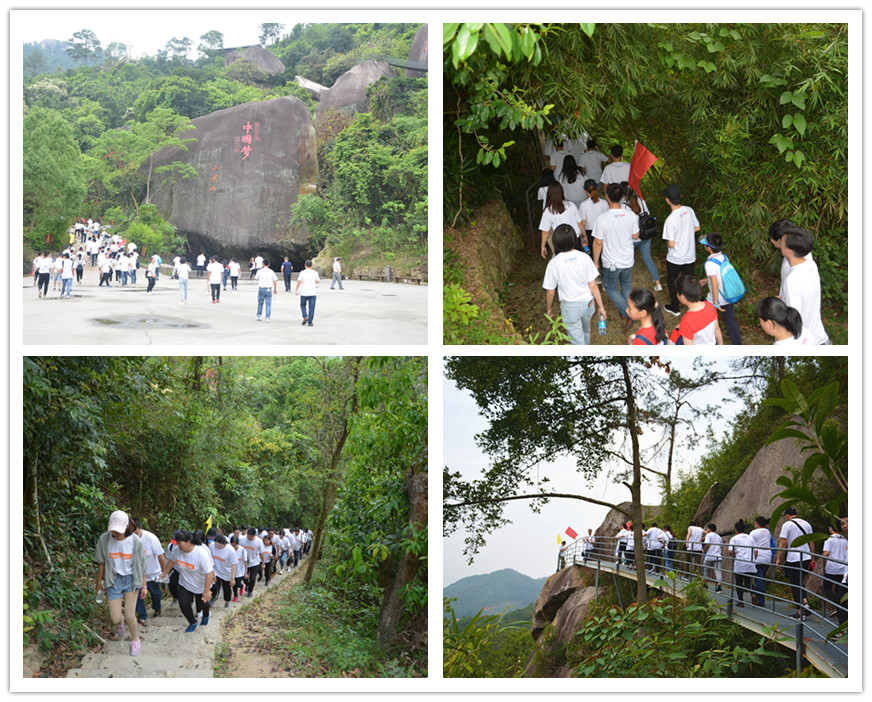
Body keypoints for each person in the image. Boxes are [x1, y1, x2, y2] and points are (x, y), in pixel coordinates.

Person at [542, 224, 607, 345]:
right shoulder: (584, 257)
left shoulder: (554, 263)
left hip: (570, 307)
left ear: (555, 242)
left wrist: (549, 309)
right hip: (588, 303)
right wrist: (601, 307)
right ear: (574, 240)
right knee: (586, 331)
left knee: (576, 341)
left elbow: (550, 291)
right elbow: (593, 285)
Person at [94, 510, 146, 657]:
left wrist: (144, 585)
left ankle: (135, 639)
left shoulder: (135, 541)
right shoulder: (104, 539)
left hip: (131, 579)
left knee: (130, 615)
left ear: (126, 527)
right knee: (116, 618)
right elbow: (102, 563)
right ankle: (120, 623)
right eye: (113, 530)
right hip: (113, 579)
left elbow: (142, 565)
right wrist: (99, 583)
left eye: (118, 531)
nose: (115, 534)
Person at [591, 183, 640, 332]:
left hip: (611, 262)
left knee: (610, 287)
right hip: (627, 259)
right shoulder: (631, 215)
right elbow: (636, 236)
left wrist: (595, 262)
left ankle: (628, 312)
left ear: (606, 196)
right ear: (621, 196)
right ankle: (629, 309)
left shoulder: (603, 218)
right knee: (626, 286)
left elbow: (598, 242)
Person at [778, 224, 830, 344]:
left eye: (782, 242)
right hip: (821, 338)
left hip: (808, 344)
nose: (780, 243)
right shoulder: (811, 265)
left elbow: (793, 322)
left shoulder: (792, 281)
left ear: (789, 251)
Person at [160, 530, 214, 632]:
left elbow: (209, 573)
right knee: (184, 604)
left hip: (200, 584)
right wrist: (164, 572)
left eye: (180, 543)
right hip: (185, 583)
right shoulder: (177, 550)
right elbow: (172, 561)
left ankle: (206, 615)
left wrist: (206, 591)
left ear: (188, 541)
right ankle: (192, 622)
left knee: (204, 604)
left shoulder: (200, 553)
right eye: (177, 543)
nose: (178, 545)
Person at [661, 184, 700, 316]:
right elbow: (697, 227)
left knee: (672, 281)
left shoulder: (670, 220)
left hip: (675, 258)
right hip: (689, 255)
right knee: (689, 280)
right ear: (681, 196)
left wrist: (669, 241)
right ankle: (695, 305)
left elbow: (671, 244)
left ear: (667, 200)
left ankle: (675, 307)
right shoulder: (689, 210)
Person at [699, 233, 742, 344]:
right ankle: (737, 344)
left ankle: (716, 344)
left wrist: (715, 302)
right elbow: (721, 275)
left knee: (710, 322)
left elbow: (715, 284)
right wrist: (705, 280)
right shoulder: (724, 257)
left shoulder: (709, 263)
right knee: (731, 321)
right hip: (728, 295)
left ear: (708, 248)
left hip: (716, 298)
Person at [774, 506, 815, 620]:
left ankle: (800, 612)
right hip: (805, 557)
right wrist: (812, 556)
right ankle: (805, 603)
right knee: (799, 582)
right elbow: (811, 541)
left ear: (787, 516)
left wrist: (778, 559)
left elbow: (783, 543)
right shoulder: (807, 524)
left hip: (794, 558)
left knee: (795, 585)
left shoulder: (787, 525)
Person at [623, 185, 662, 291]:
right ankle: (657, 282)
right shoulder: (641, 200)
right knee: (648, 258)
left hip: (633, 239)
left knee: (629, 260)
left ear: (623, 195)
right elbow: (648, 214)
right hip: (646, 235)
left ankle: (627, 285)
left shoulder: (625, 207)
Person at [669, 274, 723, 345]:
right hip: (712, 344)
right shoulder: (710, 306)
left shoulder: (687, 320)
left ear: (682, 297)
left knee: (673, 335)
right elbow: (716, 329)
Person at [131, 518, 166, 625]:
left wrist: (164, 573)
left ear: (140, 528)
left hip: (153, 574)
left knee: (155, 593)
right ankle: (142, 615)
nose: (134, 536)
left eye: (136, 532)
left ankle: (157, 609)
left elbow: (160, 556)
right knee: (137, 596)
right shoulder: (127, 540)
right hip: (137, 575)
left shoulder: (151, 538)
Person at [539, 182, 585, 258]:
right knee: (577, 260)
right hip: (574, 238)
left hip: (559, 241)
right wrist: (584, 235)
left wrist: (542, 246)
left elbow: (545, 231)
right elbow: (579, 223)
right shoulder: (571, 205)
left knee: (562, 263)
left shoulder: (548, 210)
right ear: (562, 192)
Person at [821, 522, 847, 626]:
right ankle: (841, 609)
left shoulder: (829, 539)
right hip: (842, 569)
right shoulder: (845, 539)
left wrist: (824, 567)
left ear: (831, 528)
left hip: (832, 569)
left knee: (826, 588)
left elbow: (826, 553)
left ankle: (838, 607)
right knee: (838, 589)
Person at [728, 521, 756, 607]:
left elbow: (730, 551)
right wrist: (753, 560)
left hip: (740, 563)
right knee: (748, 582)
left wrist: (735, 557)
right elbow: (756, 551)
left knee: (739, 583)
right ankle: (753, 594)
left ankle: (741, 602)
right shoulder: (750, 538)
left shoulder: (734, 538)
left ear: (736, 529)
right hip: (750, 563)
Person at [578, 179, 608, 251]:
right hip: (603, 231)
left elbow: (583, 222)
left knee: (591, 254)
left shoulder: (583, 205)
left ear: (585, 190)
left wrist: (583, 236)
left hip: (589, 233)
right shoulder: (604, 203)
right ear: (597, 188)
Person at [209, 534, 238, 609]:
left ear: (223, 544)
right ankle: (214, 596)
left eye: (218, 545)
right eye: (215, 544)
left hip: (226, 572)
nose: (215, 546)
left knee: (227, 588)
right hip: (216, 570)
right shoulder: (212, 546)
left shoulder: (230, 551)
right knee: (214, 585)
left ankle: (227, 601)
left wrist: (232, 578)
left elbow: (233, 564)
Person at [749, 516, 773, 607]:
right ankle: (758, 597)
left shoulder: (753, 532)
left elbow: (749, 543)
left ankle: (760, 601)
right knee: (761, 578)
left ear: (758, 523)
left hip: (758, 557)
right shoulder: (767, 532)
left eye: (755, 523)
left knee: (758, 580)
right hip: (767, 557)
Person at [295, 260, 320, 327]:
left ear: (305, 265)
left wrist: (296, 289)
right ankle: (310, 322)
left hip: (304, 292)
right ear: (311, 266)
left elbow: (299, 281)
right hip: (312, 292)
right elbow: (318, 281)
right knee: (312, 308)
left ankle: (305, 316)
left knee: (302, 305)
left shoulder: (302, 272)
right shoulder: (315, 273)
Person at [241, 527, 265, 597]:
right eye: (247, 535)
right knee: (244, 577)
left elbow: (262, 553)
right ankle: (247, 585)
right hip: (244, 562)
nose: (248, 537)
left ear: (254, 535)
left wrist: (263, 563)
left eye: (250, 536)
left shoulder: (259, 541)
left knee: (252, 578)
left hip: (255, 562)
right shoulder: (242, 539)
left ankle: (250, 591)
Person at [255, 258, 278, 323]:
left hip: (261, 288)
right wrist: (275, 289)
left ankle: (259, 315)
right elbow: (275, 281)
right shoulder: (271, 271)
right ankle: (267, 317)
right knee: (268, 304)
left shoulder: (259, 271)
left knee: (260, 302)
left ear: (262, 263)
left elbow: (256, 278)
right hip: (268, 288)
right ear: (269, 264)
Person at [702, 522, 723, 593]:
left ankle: (705, 584)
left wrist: (705, 550)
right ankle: (719, 587)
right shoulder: (718, 536)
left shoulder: (708, 535)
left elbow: (707, 544)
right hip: (718, 556)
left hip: (710, 555)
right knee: (718, 571)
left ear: (709, 529)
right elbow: (721, 546)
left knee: (705, 569)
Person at [230, 535, 247, 602]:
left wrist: (245, 572)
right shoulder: (230, 550)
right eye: (232, 545)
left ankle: (242, 586)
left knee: (237, 583)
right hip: (231, 570)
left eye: (235, 545)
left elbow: (245, 561)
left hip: (239, 570)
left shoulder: (242, 550)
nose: (234, 546)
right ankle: (236, 596)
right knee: (233, 584)